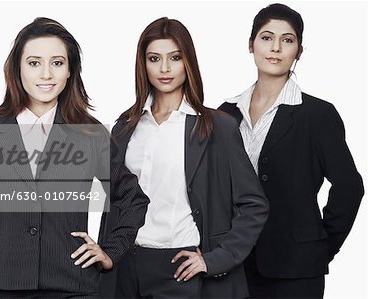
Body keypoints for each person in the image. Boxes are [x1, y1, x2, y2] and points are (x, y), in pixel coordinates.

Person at [0, 17, 149, 299]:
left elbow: (132, 198)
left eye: (57, 63)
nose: (46, 74)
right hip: (7, 288)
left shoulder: (88, 133)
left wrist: (110, 252)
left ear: (70, 70)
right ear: (17, 69)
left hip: (74, 288)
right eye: (34, 63)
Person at [102, 17, 269, 299]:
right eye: (154, 58)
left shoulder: (218, 127)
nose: (164, 68)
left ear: (187, 62)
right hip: (126, 267)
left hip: (180, 267)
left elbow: (254, 205)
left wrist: (215, 259)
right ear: (143, 64)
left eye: (175, 58)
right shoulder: (125, 127)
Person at [218, 3, 364, 298]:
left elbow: (350, 187)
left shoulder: (317, 115)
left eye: (287, 40)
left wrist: (321, 247)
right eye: (266, 37)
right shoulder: (225, 114)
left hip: (296, 271)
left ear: (299, 51)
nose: (275, 48)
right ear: (251, 45)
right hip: (233, 264)